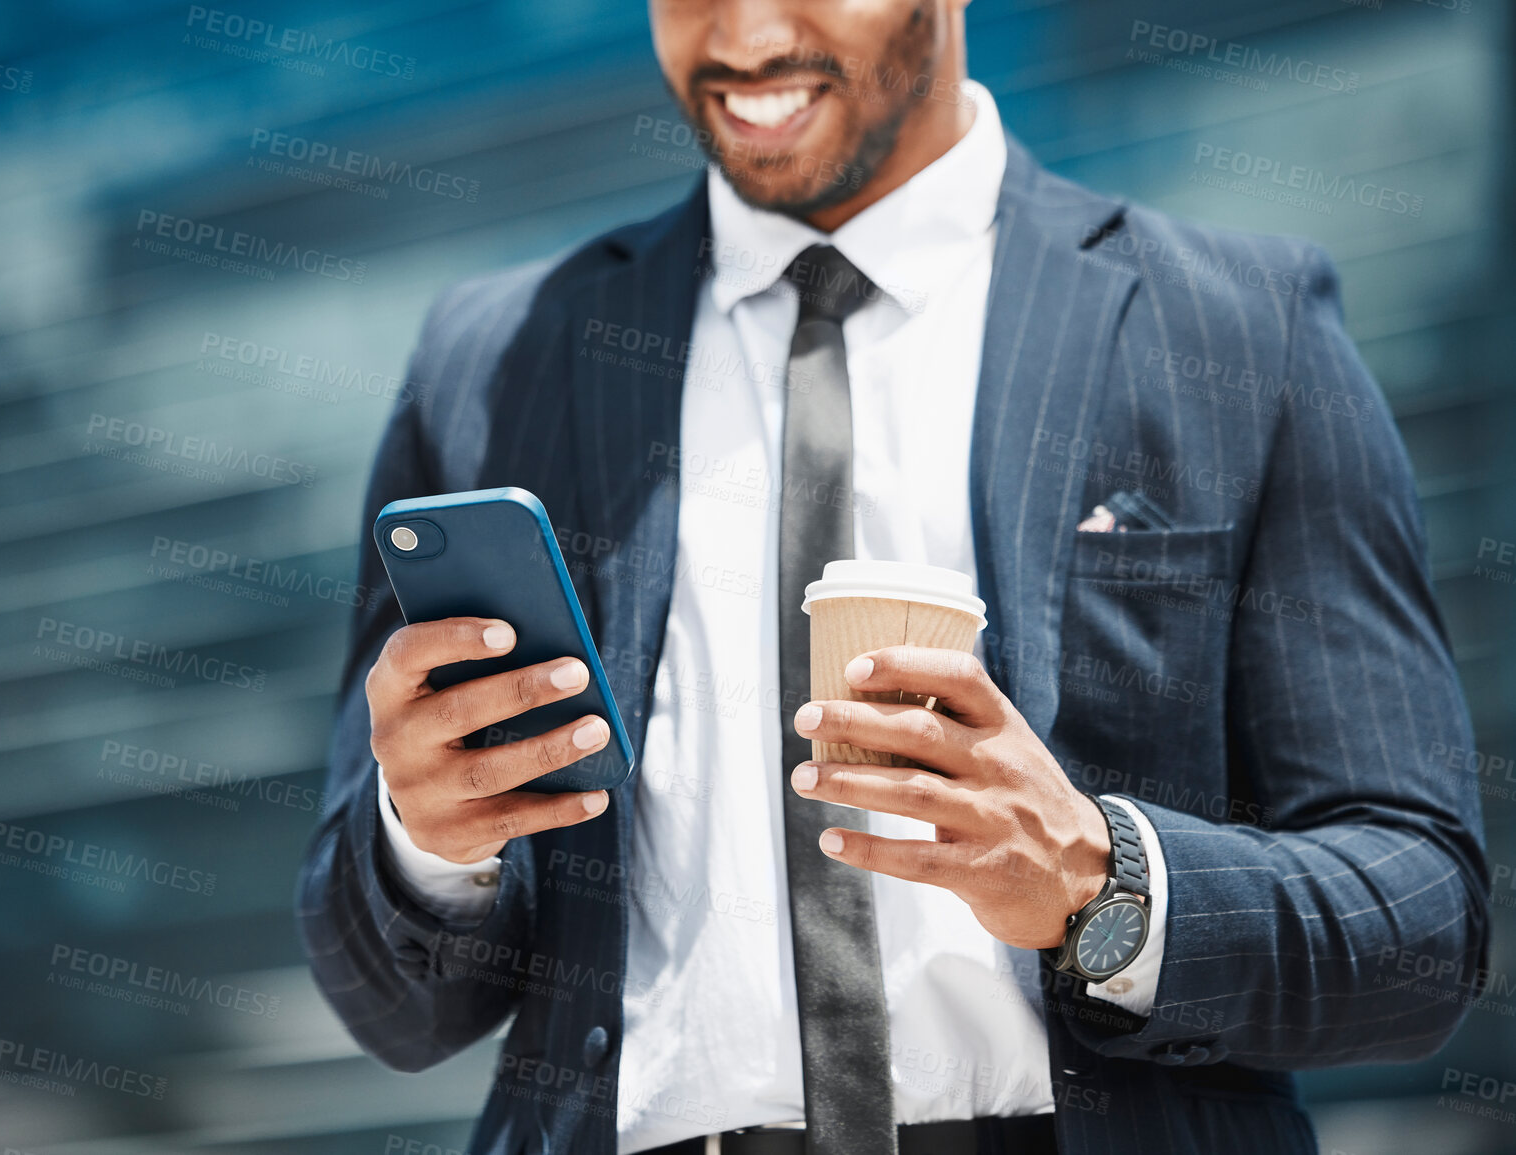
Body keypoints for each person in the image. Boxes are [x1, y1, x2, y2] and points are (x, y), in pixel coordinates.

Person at [297, 1, 1490, 1152]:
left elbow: (1424, 921)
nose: (746, 35)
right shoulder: (494, 361)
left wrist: (1099, 878)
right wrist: (425, 841)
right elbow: (390, 1008)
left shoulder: (1238, 331)